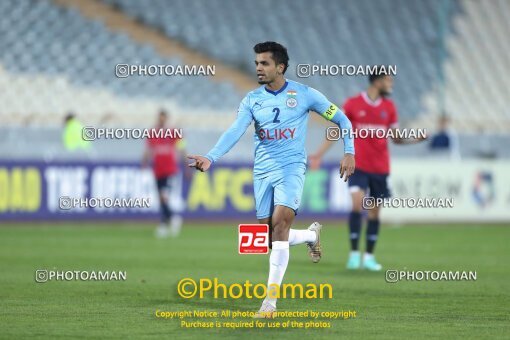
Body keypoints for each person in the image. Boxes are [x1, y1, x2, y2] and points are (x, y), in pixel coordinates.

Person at [188, 42, 355, 317]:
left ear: (280, 67)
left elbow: (343, 121)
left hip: (291, 168)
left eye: (264, 63)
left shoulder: (305, 94)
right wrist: (211, 156)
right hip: (262, 171)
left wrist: (349, 151)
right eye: (256, 64)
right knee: (269, 237)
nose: (258, 68)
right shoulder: (252, 100)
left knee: (280, 226)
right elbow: (235, 130)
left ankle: (270, 303)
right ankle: (311, 235)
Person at [309, 70, 426, 272]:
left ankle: (369, 257)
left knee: (374, 212)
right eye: (388, 81)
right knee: (356, 205)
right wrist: (318, 154)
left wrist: (415, 138)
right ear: (377, 81)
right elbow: (337, 129)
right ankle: (354, 254)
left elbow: (396, 138)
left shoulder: (389, 107)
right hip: (359, 165)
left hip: (380, 168)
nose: (391, 84)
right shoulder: (353, 103)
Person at [143, 110, 187, 238]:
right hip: (158, 170)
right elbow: (148, 149)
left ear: (166, 118)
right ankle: (167, 221)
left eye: (164, 118)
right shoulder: (152, 133)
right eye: (160, 118)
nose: (161, 120)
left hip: (170, 169)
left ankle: (168, 220)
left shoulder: (173, 133)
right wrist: (144, 161)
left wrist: (187, 164)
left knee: (164, 196)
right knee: (161, 197)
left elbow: (181, 148)